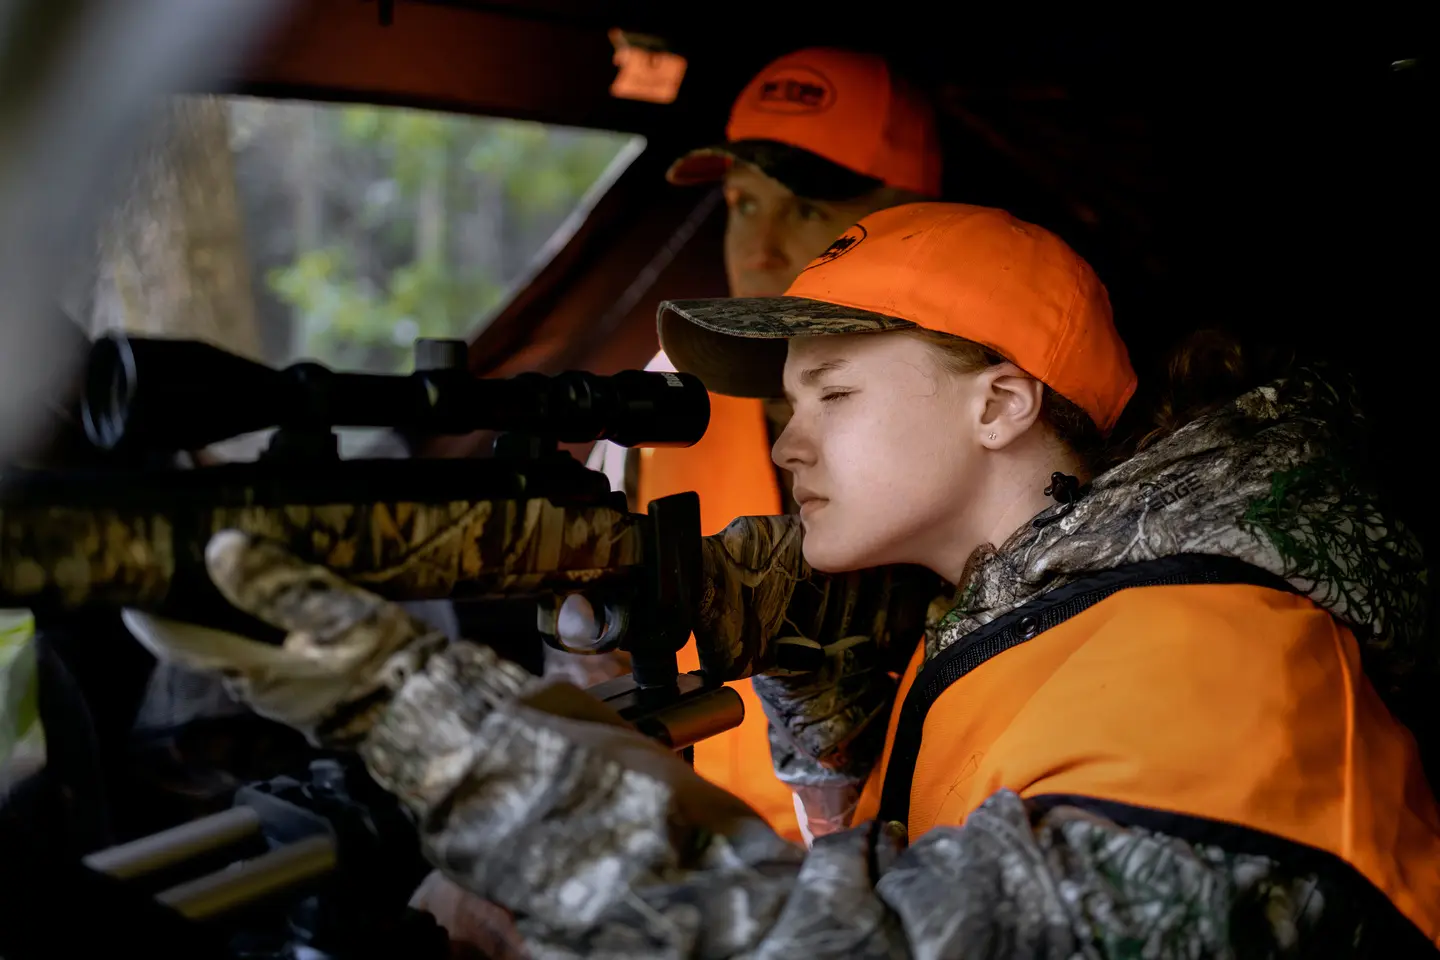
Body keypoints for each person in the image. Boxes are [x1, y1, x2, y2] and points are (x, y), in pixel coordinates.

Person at [127, 201, 1440, 954]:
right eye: (782, 403)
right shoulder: (1016, 607)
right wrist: (812, 686)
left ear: (1000, 402)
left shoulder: (1215, 667)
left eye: (834, 392)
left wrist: (428, 723)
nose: (785, 438)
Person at [571, 45, 943, 845]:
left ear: (918, 217)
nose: (761, 246)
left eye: (806, 208)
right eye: (743, 203)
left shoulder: (980, 419)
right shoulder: (650, 409)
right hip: (718, 879)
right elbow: (588, 679)